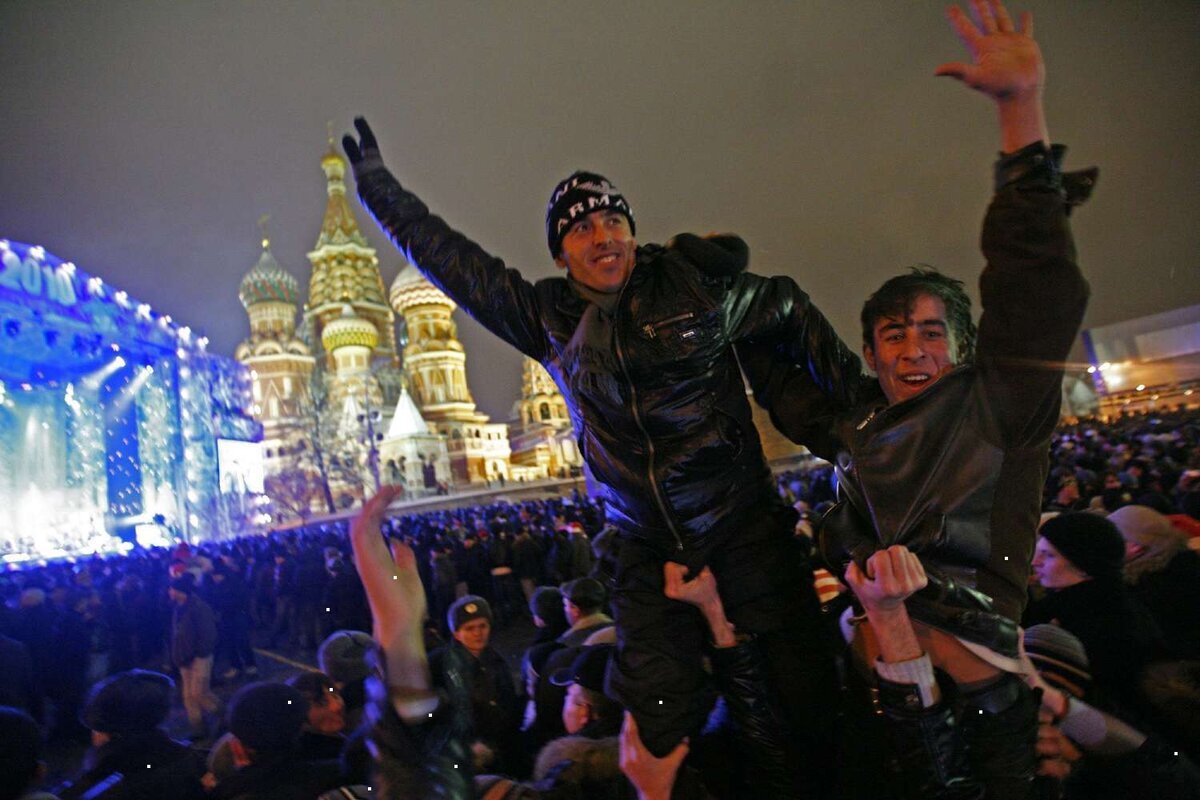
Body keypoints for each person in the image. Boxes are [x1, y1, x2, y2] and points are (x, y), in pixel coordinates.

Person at [343, 95, 859, 794]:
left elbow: (788, 304)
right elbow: (457, 265)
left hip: (741, 524)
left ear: (633, 235)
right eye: (582, 228)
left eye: (614, 220)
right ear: (562, 255)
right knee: (659, 721)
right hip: (643, 543)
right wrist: (380, 191)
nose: (602, 236)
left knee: (805, 699)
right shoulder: (549, 319)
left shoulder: (692, 287)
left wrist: (851, 416)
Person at [743, 2, 1095, 795]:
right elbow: (786, 385)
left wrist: (1021, 112)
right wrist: (718, 307)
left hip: (977, 698)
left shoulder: (999, 408)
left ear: (964, 347)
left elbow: (1036, 283)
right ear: (870, 356)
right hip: (874, 699)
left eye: (933, 334)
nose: (913, 352)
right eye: (894, 336)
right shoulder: (861, 425)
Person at [429, 595, 522, 774]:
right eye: (469, 628)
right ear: (456, 634)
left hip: (498, 751)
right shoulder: (440, 665)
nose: (478, 633)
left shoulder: (495, 660)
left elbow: (508, 702)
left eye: (482, 626)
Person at [168, 575, 219, 740]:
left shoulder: (199, 608)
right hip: (185, 657)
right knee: (188, 696)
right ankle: (198, 727)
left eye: (172, 589)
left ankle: (223, 714)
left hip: (198, 657)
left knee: (199, 693)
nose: (169, 592)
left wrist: (199, 653)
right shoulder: (178, 607)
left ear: (179, 591)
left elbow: (208, 634)